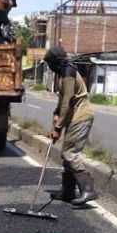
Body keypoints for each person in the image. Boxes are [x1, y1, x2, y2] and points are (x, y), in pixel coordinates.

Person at [44, 46, 99, 206]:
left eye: (50, 62)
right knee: (66, 153)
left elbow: (67, 103)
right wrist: (56, 112)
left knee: (70, 153)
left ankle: (88, 189)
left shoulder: (68, 73)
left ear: (56, 61)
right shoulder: (63, 73)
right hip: (74, 116)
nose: (49, 66)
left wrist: (57, 128)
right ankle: (68, 192)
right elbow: (62, 101)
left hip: (80, 116)